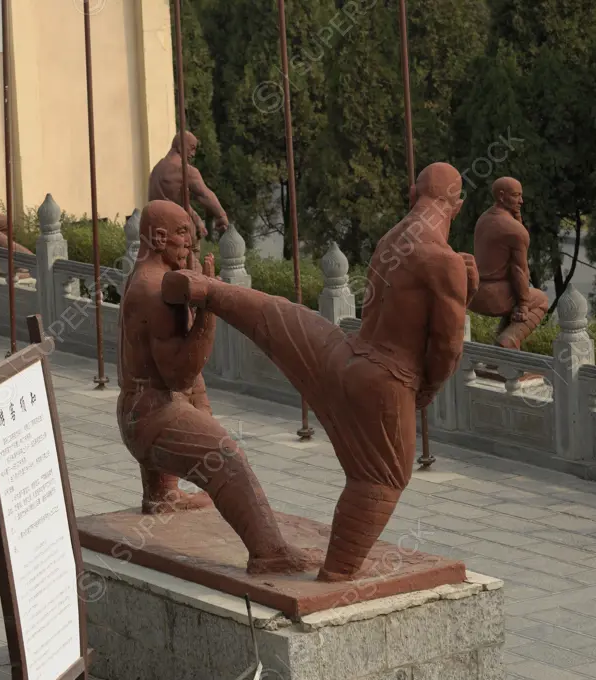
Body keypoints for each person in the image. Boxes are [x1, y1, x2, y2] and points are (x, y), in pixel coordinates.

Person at [161, 163, 478, 581]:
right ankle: (338, 574)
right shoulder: (445, 260)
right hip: (386, 382)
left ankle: (210, 290)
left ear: (412, 193)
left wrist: (461, 284)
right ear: (456, 205)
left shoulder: (392, 240)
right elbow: (447, 347)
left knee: (280, 317)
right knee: (379, 480)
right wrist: (426, 391)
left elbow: (402, 304)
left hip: (346, 357)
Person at [117, 200, 316, 575]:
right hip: (151, 420)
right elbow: (178, 375)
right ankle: (268, 552)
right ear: (159, 237)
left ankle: (162, 495)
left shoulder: (140, 276)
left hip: (133, 409)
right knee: (225, 458)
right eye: (184, 241)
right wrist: (207, 309)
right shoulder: (155, 292)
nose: (190, 250)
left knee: (195, 397)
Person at [469, 177, 549, 349]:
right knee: (541, 300)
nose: (521, 201)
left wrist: (517, 217)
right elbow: (518, 270)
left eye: (521, 195)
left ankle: (498, 354)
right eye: (516, 196)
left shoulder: (484, 218)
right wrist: (523, 305)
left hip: (474, 293)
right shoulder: (515, 231)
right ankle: (508, 342)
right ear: (501, 196)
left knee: (516, 293)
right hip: (494, 297)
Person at [148, 131, 229, 266]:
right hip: (179, 234)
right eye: (192, 148)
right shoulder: (185, 170)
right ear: (180, 146)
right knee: (190, 269)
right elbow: (205, 195)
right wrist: (221, 216)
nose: (193, 154)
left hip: (156, 232)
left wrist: (197, 220)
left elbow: (175, 201)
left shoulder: (157, 169)